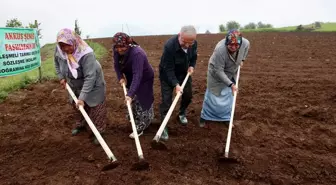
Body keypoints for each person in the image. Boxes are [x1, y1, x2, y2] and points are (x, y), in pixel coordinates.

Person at [54, 28, 108, 145]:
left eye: (68, 45)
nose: (65, 49)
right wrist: (61, 77)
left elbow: (90, 77)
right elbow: (57, 63)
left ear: (74, 41)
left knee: (96, 107)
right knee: (76, 105)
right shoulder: (59, 50)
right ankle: (81, 124)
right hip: (74, 82)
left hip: (93, 82)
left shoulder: (86, 54)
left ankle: (99, 132)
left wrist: (82, 97)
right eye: (62, 46)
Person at [199, 29, 250, 127]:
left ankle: (226, 118)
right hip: (216, 73)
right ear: (226, 42)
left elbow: (247, 47)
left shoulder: (245, 43)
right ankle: (205, 117)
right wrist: (231, 84)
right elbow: (219, 71)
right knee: (212, 96)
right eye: (231, 45)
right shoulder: (220, 50)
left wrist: (242, 59)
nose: (234, 47)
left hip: (232, 70)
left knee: (228, 96)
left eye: (236, 45)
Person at [158, 25, 198, 140]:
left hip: (183, 73)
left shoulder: (193, 43)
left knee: (188, 95)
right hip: (167, 75)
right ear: (179, 35)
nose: (186, 45)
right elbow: (168, 69)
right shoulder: (170, 46)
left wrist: (191, 65)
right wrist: (176, 84)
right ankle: (163, 126)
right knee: (167, 101)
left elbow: (194, 57)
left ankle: (181, 113)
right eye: (184, 42)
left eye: (190, 43)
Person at [112, 32, 155, 139]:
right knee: (132, 100)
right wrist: (120, 77)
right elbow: (116, 65)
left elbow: (138, 75)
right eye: (117, 47)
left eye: (122, 46)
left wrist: (130, 94)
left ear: (128, 44)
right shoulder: (116, 49)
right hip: (131, 76)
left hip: (144, 78)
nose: (120, 49)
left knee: (142, 100)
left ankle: (141, 126)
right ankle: (134, 118)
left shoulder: (137, 53)